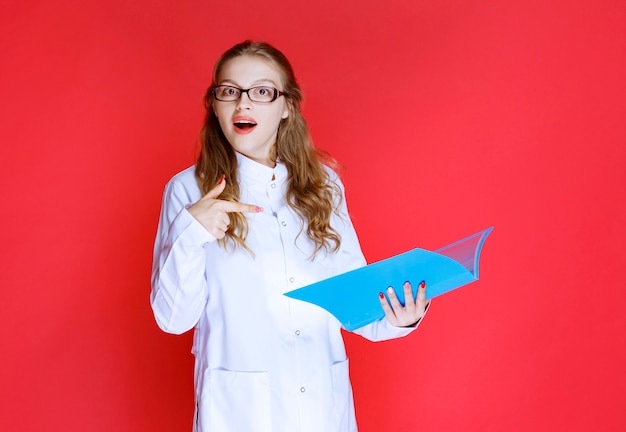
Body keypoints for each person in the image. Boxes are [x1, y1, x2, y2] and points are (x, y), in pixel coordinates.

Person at [151, 40, 430, 432]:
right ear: (214, 104)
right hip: (238, 413)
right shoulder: (188, 191)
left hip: (321, 405)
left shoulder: (323, 186)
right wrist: (192, 232)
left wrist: (401, 318)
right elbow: (173, 319)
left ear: (286, 107)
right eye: (229, 91)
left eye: (262, 92)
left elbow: (354, 299)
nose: (242, 104)